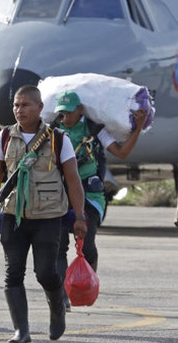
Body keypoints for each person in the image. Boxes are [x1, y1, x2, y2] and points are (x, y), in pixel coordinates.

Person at [0, 85, 88, 343]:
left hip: (48, 216)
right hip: (14, 216)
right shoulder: (4, 137)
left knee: (45, 272)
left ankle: (57, 306)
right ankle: (21, 331)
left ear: (39, 108)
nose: (19, 110)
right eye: (16, 105)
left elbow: (73, 181)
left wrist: (80, 216)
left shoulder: (58, 139)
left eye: (25, 105)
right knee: (12, 274)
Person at [53, 91, 147, 305]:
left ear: (80, 110)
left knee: (86, 244)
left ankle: (87, 283)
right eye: (61, 113)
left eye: (69, 112)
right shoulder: (53, 132)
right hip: (60, 194)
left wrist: (138, 127)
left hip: (90, 194)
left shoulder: (94, 131)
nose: (65, 117)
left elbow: (121, 153)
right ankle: (61, 294)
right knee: (57, 245)